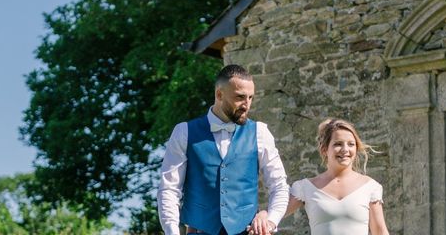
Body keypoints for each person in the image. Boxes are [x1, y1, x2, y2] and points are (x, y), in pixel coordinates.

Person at [157, 64, 289, 235]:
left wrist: (271, 221)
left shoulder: (260, 132)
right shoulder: (184, 132)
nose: (246, 105)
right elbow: (169, 189)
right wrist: (172, 232)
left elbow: (279, 185)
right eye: (240, 97)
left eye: (250, 98)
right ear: (219, 94)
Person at [282, 118, 389, 235]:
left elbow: (380, 232)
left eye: (351, 144)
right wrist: (263, 215)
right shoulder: (305, 187)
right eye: (338, 144)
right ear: (324, 150)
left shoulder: (370, 187)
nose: (345, 149)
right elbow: (273, 217)